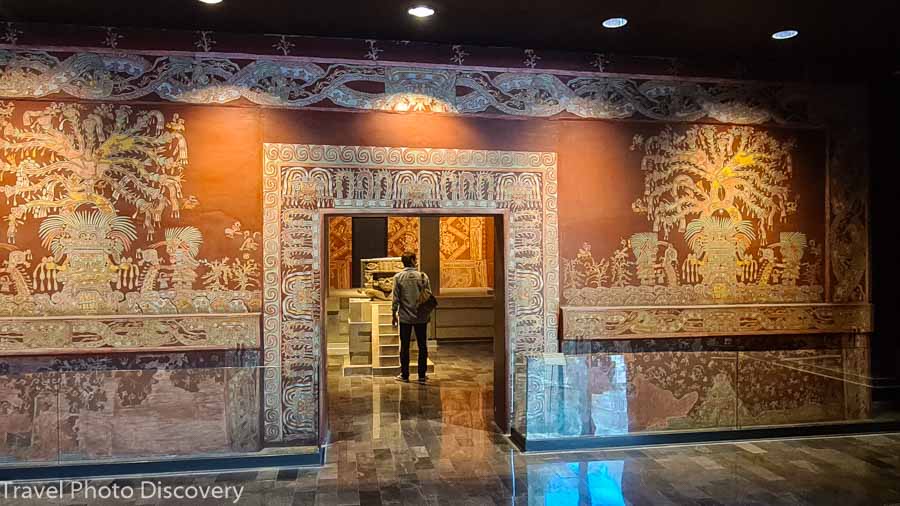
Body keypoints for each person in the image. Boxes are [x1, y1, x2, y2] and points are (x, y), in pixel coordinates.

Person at [391, 252, 431, 383]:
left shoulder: (398, 277)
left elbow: (395, 298)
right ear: (413, 261)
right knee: (422, 346)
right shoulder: (423, 277)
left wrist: (394, 314)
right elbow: (428, 296)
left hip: (405, 317)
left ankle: (405, 374)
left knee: (405, 346)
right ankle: (421, 375)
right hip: (421, 316)